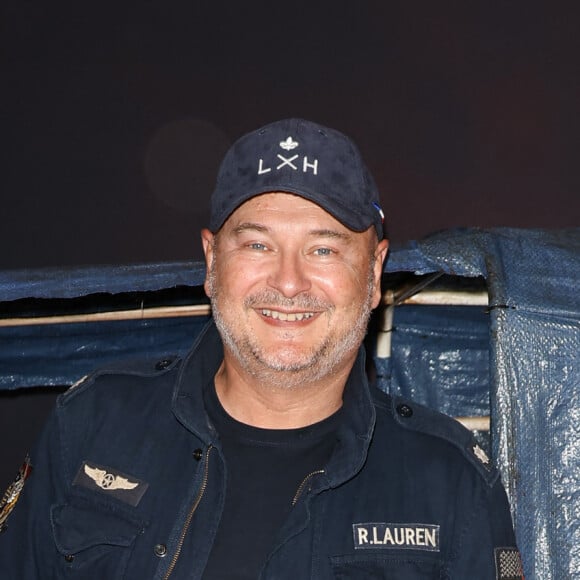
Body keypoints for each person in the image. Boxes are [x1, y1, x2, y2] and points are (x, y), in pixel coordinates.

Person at [0, 118, 522, 579]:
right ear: (211, 262)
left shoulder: (451, 482)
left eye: (323, 248)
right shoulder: (93, 423)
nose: (289, 282)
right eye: (258, 245)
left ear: (373, 273)